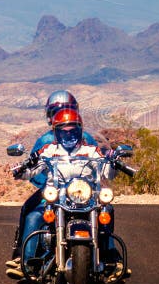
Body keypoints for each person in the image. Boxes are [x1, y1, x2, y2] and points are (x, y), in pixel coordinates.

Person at [6, 106, 127, 281]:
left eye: (73, 131)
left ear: (80, 131)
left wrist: (114, 163)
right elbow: (31, 170)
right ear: (56, 133)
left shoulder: (91, 151)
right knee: (33, 217)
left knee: (107, 211)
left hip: (85, 199)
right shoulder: (48, 150)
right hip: (56, 201)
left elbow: (105, 171)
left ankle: (111, 261)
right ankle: (26, 264)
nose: (68, 135)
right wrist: (22, 168)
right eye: (64, 132)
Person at [6, 90, 97, 268]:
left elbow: (99, 161)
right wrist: (31, 176)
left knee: (105, 211)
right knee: (31, 213)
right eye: (56, 111)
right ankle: (24, 258)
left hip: (80, 192)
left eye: (66, 109)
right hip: (56, 191)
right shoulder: (48, 141)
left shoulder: (85, 138)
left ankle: (109, 255)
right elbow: (34, 166)